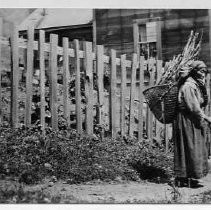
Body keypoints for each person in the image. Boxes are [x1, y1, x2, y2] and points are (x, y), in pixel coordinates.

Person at [173, 60, 211, 188]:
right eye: (201, 71)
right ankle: (181, 178)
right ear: (194, 71)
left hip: (192, 119)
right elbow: (193, 107)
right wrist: (206, 118)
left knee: (193, 147)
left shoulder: (196, 84)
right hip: (186, 120)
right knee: (188, 146)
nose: (203, 74)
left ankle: (190, 177)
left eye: (205, 71)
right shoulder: (188, 86)